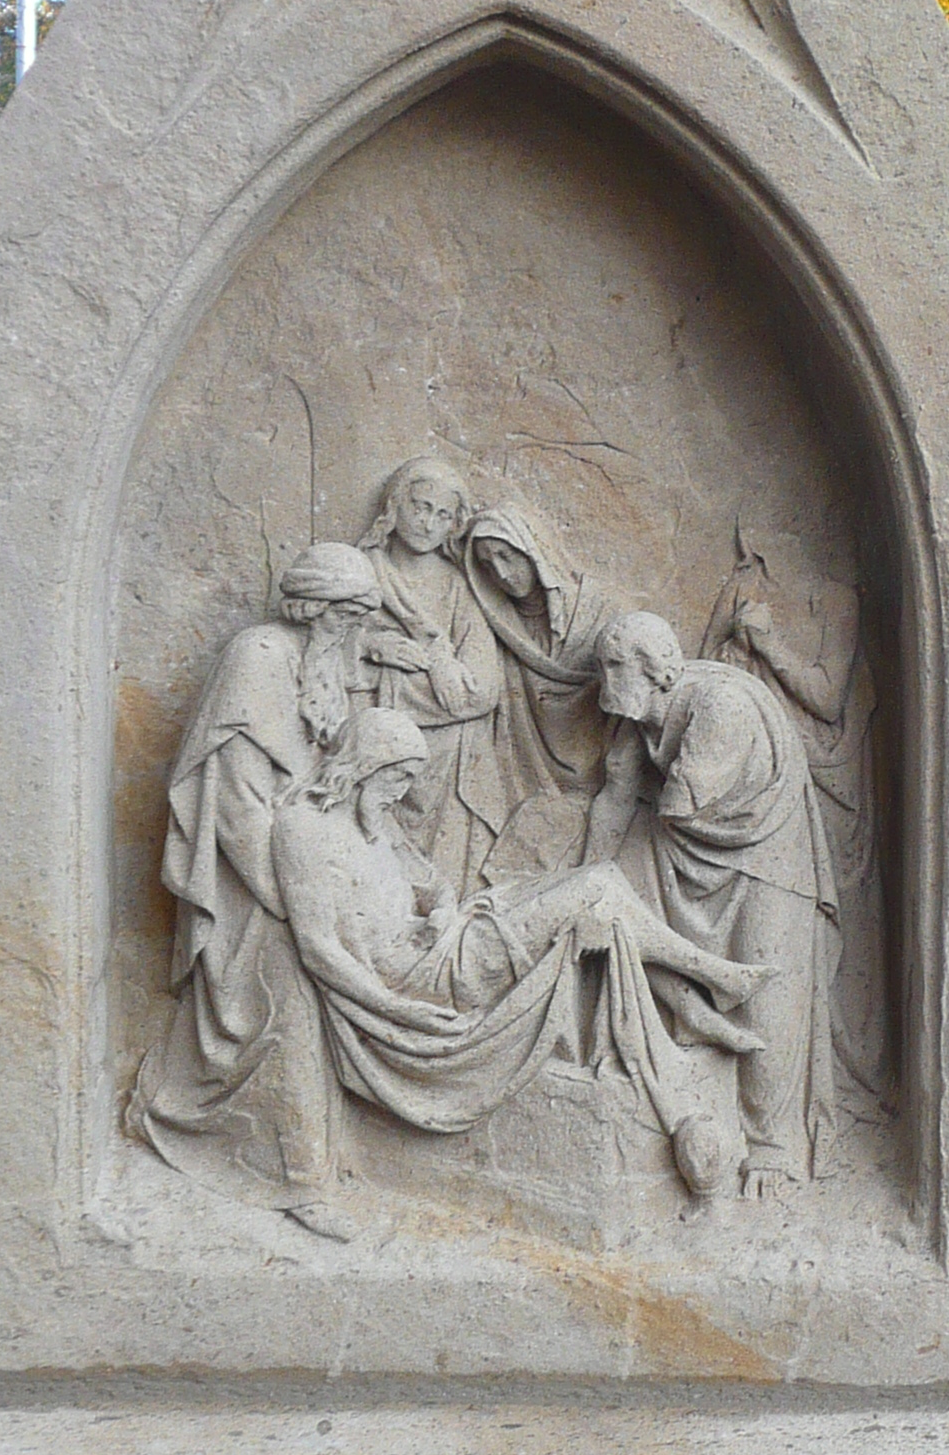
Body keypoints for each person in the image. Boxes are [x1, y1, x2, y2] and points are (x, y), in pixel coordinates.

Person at [273, 711, 764, 1204]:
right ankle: (710, 982)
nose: (402, 792)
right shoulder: (303, 830)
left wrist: (440, 911)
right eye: (397, 776)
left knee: (603, 892)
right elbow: (318, 948)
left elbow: (435, 885)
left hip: (449, 938)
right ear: (366, 763)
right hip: (420, 978)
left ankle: (702, 996)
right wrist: (395, 1009)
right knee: (596, 888)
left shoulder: (377, 820)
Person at [127, 542, 382, 1237]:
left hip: (299, 866)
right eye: (348, 613)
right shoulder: (259, 656)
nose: (355, 628)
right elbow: (239, 809)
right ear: (313, 607)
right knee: (289, 1000)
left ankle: (326, 1154)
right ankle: (298, 1179)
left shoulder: (324, 660)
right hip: (248, 884)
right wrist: (291, 905)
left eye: (362, 614)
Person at [583, 611, 839, 1195]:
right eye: (603, 666)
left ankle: (772, 1147)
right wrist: (590, 879)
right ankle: (680, 1098)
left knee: (768, 994)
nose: (606, 680)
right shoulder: (639, 713)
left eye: (616, 667)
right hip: (687, 847)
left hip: (763, 853)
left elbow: (679, 802)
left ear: (658, 671)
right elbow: (615, 798)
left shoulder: (719, 706)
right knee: (627, 924)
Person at [701, 528, 891, 1101]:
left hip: (825, 778)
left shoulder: (835, 597)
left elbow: (828, 699)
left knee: (824, 936)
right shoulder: (744, 588)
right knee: (765, 930)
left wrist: (767, 645)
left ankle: (835, 1074)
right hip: (758, 783)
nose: (751, 554)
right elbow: (705, 669)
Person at [358, 457, 506, 896]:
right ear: (395, 506)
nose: (428, 523)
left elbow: (482, 689)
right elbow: (328, 647)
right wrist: (375, 647)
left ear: (453, 525)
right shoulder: (363, 572)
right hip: (378, 744)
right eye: (420, 507)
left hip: (450, 759)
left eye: (442, 515)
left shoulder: (456, 587)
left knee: (446, 879)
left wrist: (413, 672)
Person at [461, 501, 621, 882]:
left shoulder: (596, 609)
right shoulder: (502, 626)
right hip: (527, 766)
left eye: (506, 556)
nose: (501, 573)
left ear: (532, 546)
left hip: (600, 762)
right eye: (487, 565)